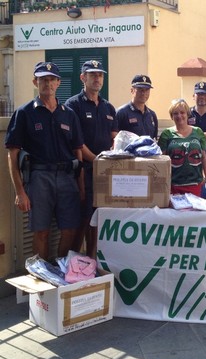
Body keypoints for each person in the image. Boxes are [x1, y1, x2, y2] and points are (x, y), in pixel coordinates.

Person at [4, 62, 84, 262]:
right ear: (35, 82)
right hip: (39, 179)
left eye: (51, 79)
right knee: (41, 232)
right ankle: (43, 277)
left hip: (67, 178)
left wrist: (80, 186)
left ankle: (61, 271)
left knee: (70, 230)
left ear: (58, 83)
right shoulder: (24, 113)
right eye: (43, 79)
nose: (47, 83)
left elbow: (78, 152)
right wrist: (20, 192)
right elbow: (12, 155)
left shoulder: (69, 114)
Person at [65, 60, 118, 258]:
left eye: (100, 75)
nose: (97, 78)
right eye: (92, 74)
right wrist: (98, 160)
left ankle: (92, 261)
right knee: (82, 221)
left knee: (99, 219)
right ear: (83, 78)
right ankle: (73, 263)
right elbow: (77, 144)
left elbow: (115, 138)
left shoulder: (108, 107)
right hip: (83, 172)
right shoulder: (73, 105)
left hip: (105, 173)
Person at [158, 99, 206, 197]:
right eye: (175, 113)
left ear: (187, 114)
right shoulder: (166, 134)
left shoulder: (198, 132)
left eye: (182, 112)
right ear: (172, 116)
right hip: (173, 184)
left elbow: (203, 156)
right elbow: (161, 160)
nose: (179, 116)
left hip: (194, 184)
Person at [116, 74, 158, 138]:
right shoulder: (121, 113)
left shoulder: (152, 115)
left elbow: (154, 138)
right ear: (132, 90)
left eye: (147, 90)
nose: (143, 93)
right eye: (140, 90)